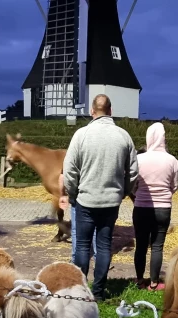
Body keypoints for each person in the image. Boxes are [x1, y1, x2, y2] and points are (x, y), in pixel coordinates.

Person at [63, 94, 138, 300]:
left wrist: (73, 192)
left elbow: (69, 170)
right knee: (104, 245)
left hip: (85, 200)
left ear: (91, 111)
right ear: (111, 111)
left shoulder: (81, 134)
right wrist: (123, 191)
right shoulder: (124, 136)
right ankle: (98, 292)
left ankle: (79, 290)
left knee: (82, 246)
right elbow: (133, 172)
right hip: (110, 201)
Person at [131, 122, 178, 291]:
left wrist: (139, 192)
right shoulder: (172, 160)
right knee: (157, 246)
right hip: (163, 208)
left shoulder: (138, 159)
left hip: (141, 207)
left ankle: (139, 280)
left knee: (141, 245)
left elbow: (133, 184)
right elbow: (175, 186)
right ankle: (153, 283)